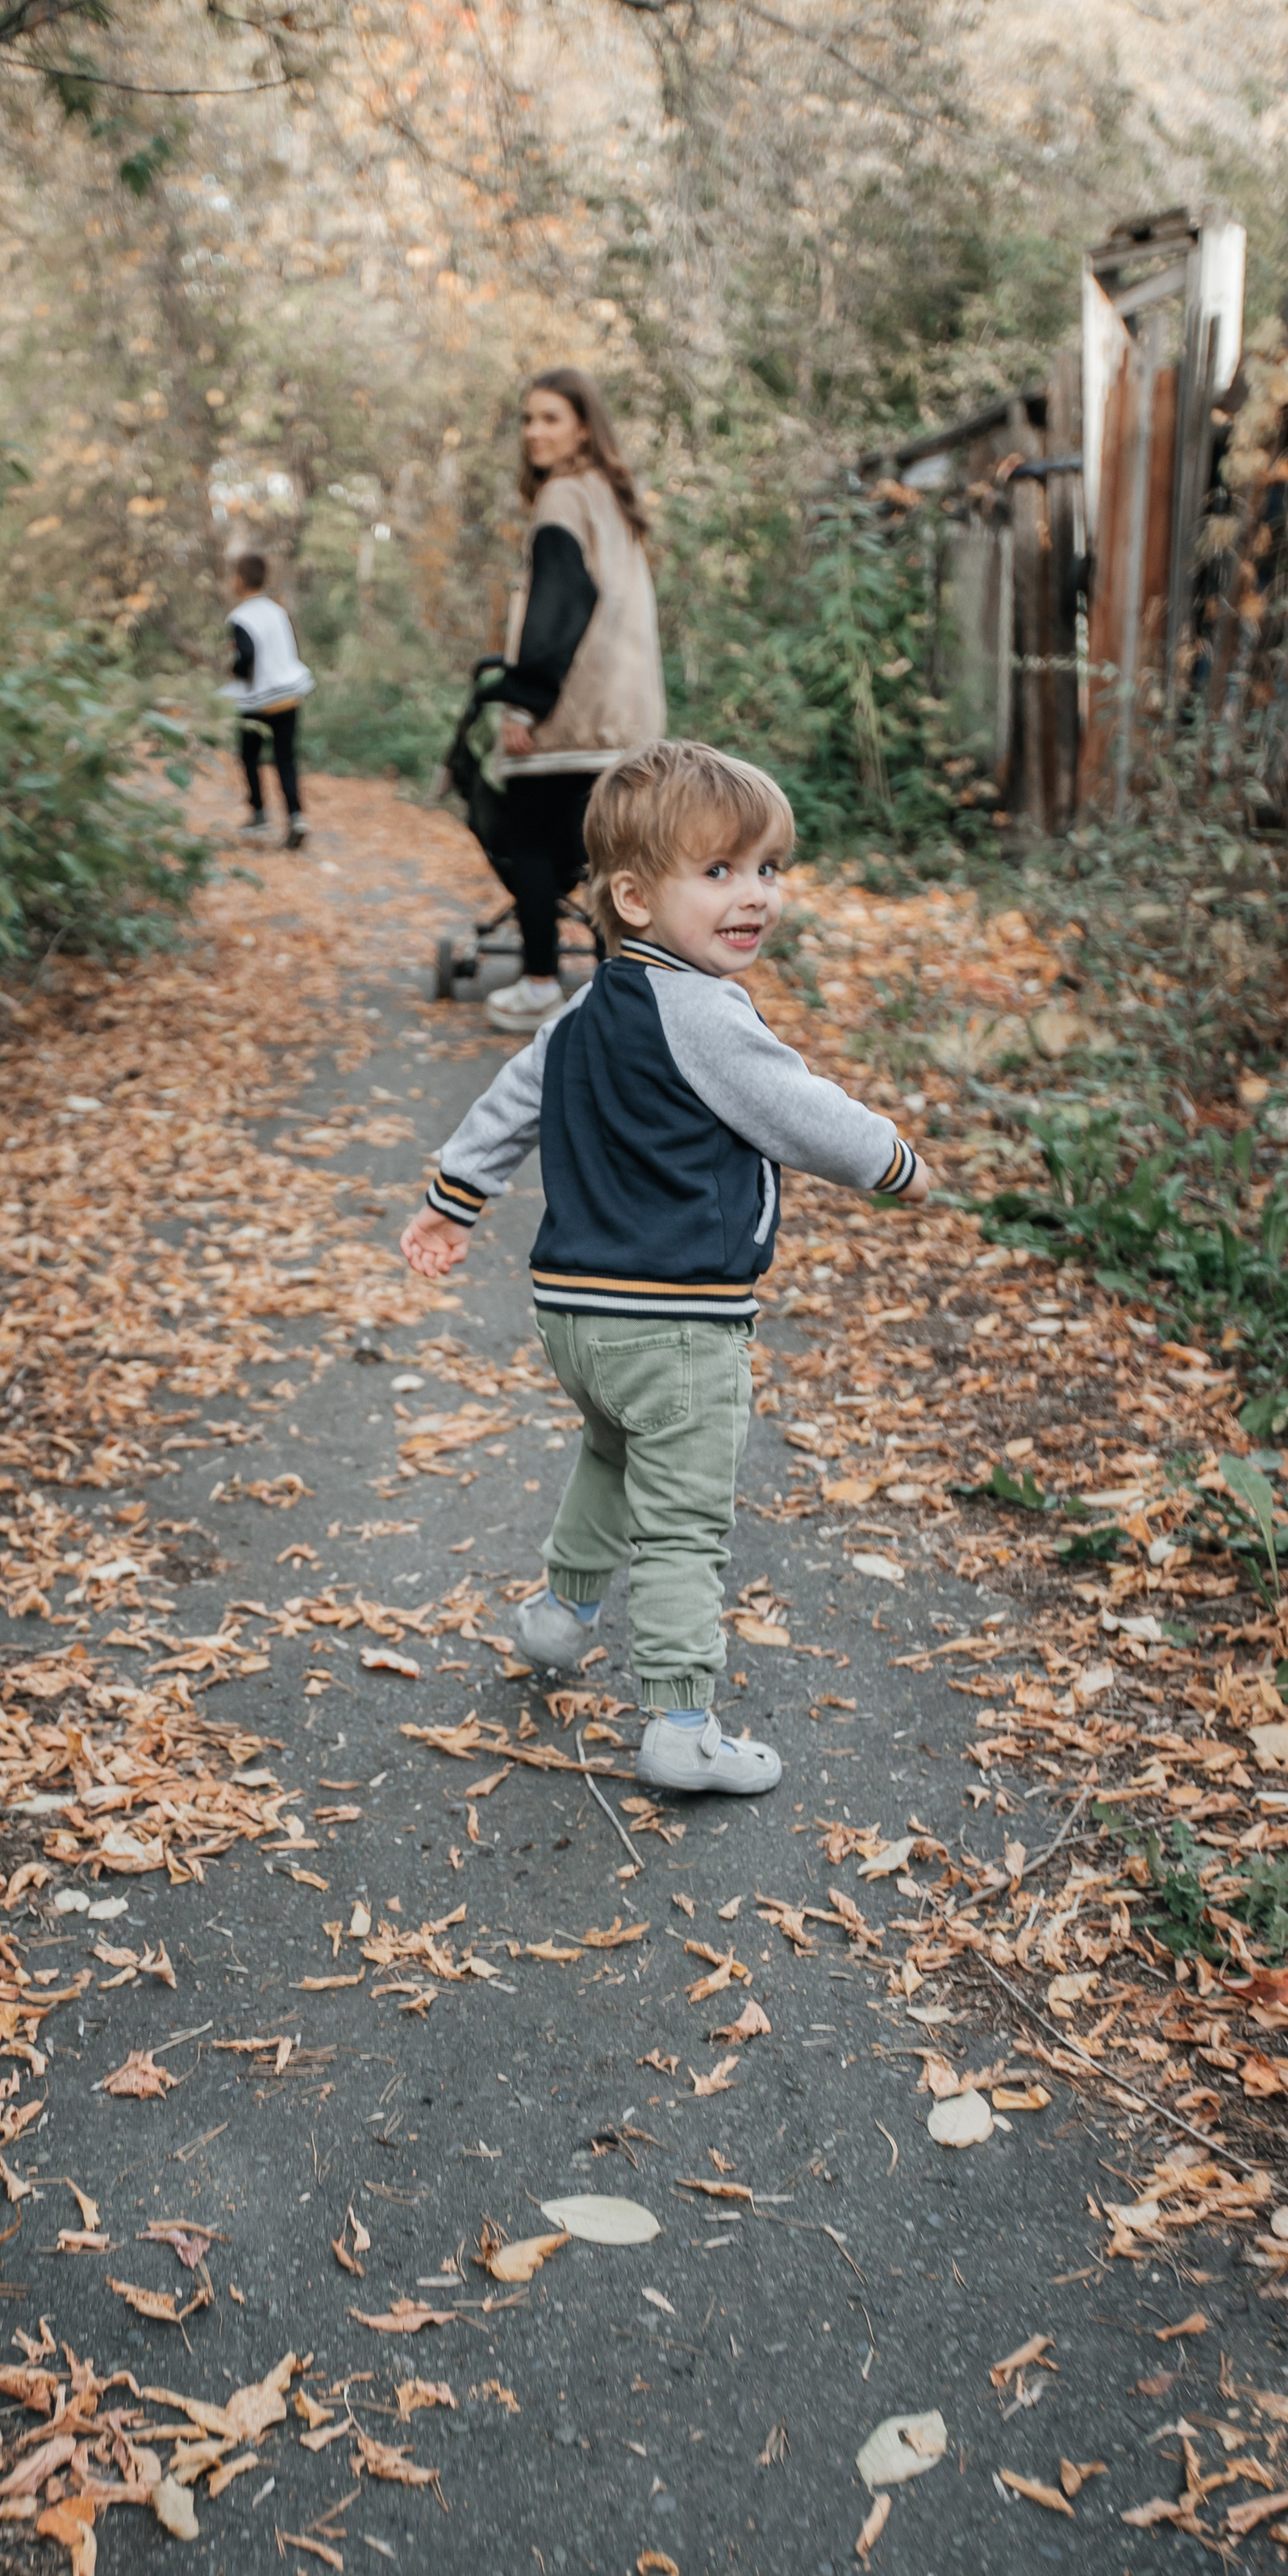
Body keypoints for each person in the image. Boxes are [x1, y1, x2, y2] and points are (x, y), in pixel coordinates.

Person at [398, 740, 932, 1797]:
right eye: (721, 873)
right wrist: (895, 1164)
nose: (756, 898)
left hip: (574, 1320)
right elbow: (805, 1113)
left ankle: (559, 1615)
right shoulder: (707, 1015)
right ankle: (681, 1723)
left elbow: (506, 1106)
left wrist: (451, 1206)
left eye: (768, 869)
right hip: (677, 1327)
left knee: (610, 1454)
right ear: (634, 897)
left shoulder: (582, 1011)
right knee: (685, 1524)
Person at [478, 368, 665, 1032]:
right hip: (628, 717)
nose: (533, 432)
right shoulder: (613, 498)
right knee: (606, 859)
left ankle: (537, 984)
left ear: (584, 426)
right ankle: (624, 993)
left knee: (528, 845)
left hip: (572, 716)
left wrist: (524, 703)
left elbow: (559, 602)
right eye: (528, 419)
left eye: (550, 418)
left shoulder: (561, 496)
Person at [221, 550, 315, 849]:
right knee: (285, 759)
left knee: (249, 756)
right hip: (290, 694)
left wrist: (234, 668)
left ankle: (259, 812)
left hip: (259, 699)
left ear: (239, 579)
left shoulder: (240, 617)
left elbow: (245, 656)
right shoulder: (277, 611)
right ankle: (296, 817)